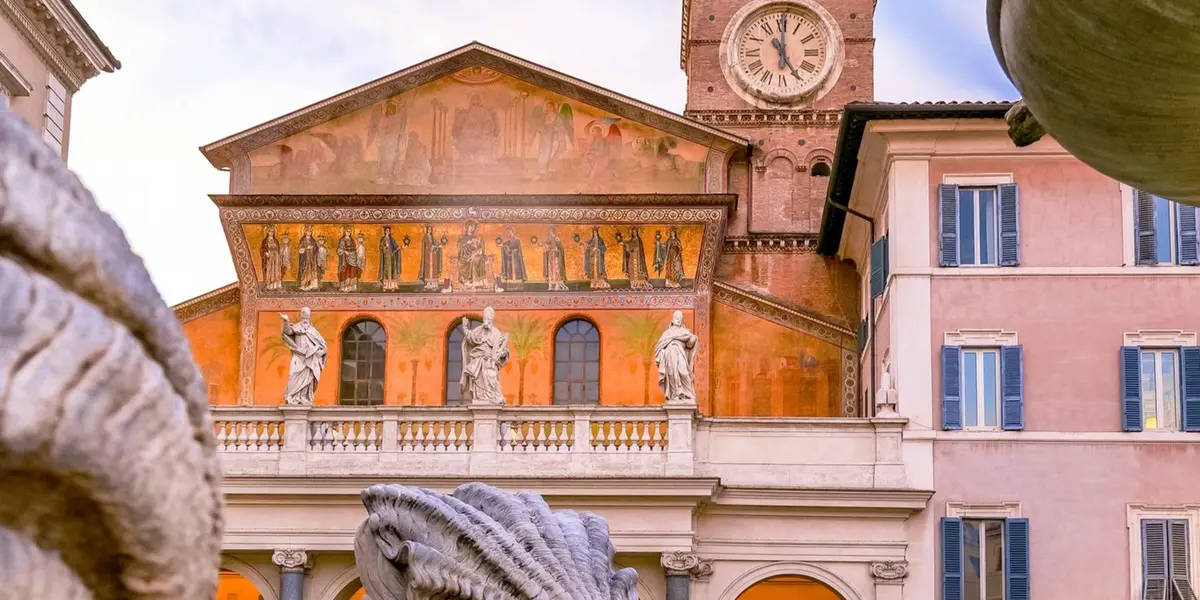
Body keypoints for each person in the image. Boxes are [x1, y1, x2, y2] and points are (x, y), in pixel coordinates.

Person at [459, 307, 510, 405]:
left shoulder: (496, 332)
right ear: (483, 319)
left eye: (489, 319)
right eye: (486, 319)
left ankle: (492, 397)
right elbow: (470, 338)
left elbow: (501, 348)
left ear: (492, 320)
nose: (488, 321)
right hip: (479, 359)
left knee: (492, 379)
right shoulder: (478, 330)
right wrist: (465, 328)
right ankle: (481, 397)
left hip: (490, 362)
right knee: (479, 380)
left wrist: (502, 353)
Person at [281, 307, 328, 406]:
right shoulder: (297, 328)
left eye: (307, 318)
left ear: (310, 318)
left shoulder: (313, 331)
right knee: (293, 375)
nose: (305, 320)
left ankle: (303, 397)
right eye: (304, 318)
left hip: (310, 358)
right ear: (301, 317)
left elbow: (323, 346)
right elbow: (288, 332)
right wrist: (285, 321)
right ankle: (292, 397)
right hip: (298, 356)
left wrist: (319, 352)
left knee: (308, 379)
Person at [654, 310, 698, 404]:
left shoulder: (685, 331)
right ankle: (675, 395)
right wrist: (661, 353)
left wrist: (693, 340)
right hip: (669, 354)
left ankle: (687, 393)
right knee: (671, 372)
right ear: (673, 319)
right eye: (677, 318)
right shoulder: (667, 333)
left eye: (680, 318)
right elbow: (659, 346)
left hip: (680, 352)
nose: (678, 320)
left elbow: (689, 345)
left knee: (683, 371)